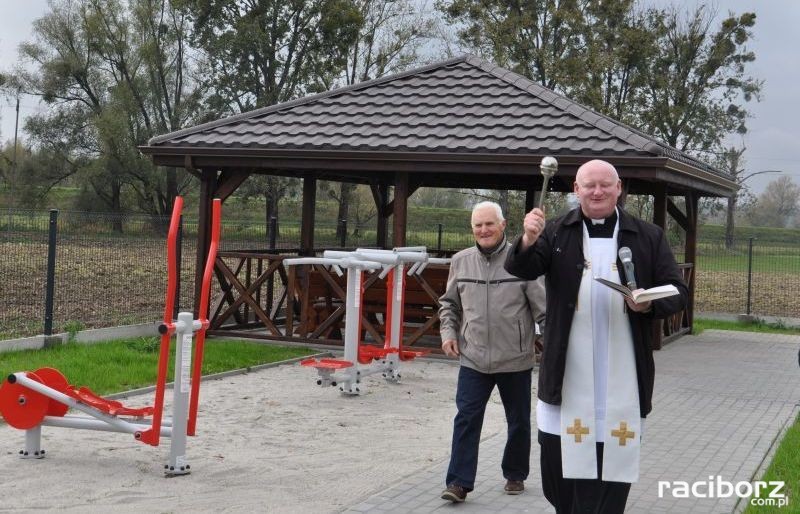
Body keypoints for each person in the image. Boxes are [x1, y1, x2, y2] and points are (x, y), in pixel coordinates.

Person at [504, 159, 688, 513]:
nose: (598, 191)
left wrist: (646, 304)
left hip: (623, 379)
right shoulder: (556, 231)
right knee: (559, 480)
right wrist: (527, 238)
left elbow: (677, 292)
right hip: (566, 376)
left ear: (619, 189)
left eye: (606, 184)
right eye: (589, 185)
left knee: (610, 484)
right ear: (577, 190)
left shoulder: (648, 236)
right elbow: (522, 268)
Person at [438, 201, 546, 503]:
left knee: (519, 420)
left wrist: (553, 345)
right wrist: (448, 333)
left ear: (503, 225)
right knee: (466, 418)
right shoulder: (461, 261)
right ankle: (458, 482)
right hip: (473, 356)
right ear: (472, 228)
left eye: (489, 224)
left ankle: (515, 473)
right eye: (478, 225)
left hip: (515, 357)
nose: (483, 230)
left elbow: (543, 309)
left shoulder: (522, 261)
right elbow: (449, 304)